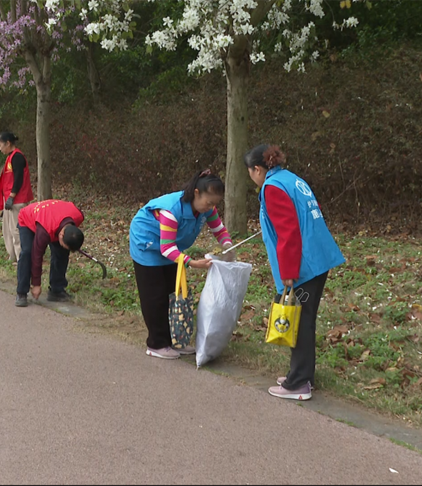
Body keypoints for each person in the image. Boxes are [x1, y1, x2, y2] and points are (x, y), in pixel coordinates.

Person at [244, 144, 345, 401]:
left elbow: (289, 232)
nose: (252, 178)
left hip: (304, 265)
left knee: (299, 320)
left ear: (257, 168)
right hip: (319, 257)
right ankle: (303, 375)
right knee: (306, 319)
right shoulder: (291, 179)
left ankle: (298, 383)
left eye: (250, 172)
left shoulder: (272, 187)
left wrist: (289, 272)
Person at [129, 169, 235, 360]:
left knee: (173, 293)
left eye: (215, 203)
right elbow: (166, 248)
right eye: (208, 202)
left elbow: (219, 230)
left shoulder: (207, 209)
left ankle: (176, 341)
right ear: (196, 193)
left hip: (170, 246)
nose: (211, 207)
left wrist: (227, 245)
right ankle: (157, 344)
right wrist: (192, 262)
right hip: (147, 243)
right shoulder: (171, 210)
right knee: (155, 296)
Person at [15, 199, 84, 307]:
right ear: (61, 235)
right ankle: (21, 292)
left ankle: (56, 290)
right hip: (28, 219)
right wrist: (36, 284)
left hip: (53, 219)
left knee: (62, 252)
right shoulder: (44, 232)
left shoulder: (78, 216)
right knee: (27, 253)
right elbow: (36, 256)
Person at [0, 132, 34, 265]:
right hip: (11, 200)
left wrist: (11, 197)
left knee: (17, 230)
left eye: (1, 146)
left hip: (17, 200)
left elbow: (18, 179)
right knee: (8, 229)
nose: (0, 149)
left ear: (8, 143)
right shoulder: (11, 157)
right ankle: (13, 255)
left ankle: (21, 257)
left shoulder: (17, 157)